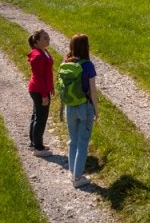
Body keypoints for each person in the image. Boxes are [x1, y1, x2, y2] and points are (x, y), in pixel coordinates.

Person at [63, 34, 98, 187]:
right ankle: (78, 178)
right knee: (83, 142)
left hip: (69, 107)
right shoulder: (88, 65)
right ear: (86, 47)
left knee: (73, 140)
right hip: (84, 107)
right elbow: (92, 91)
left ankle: (72, 172)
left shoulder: (65, 63)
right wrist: (96, 109)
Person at [26, 29, 54, 156]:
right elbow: (38, 77)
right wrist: (44, 95)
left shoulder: (43, 51)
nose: (48, 39)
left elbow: (47, 73)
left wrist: (51, 87)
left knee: (36, 115)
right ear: (37, 41)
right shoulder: (37, 56)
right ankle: (38, 148)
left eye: (48, 37)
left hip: (40, 88)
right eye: (44, 38)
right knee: (40, 118)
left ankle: (34, 143)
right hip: (38, 90)